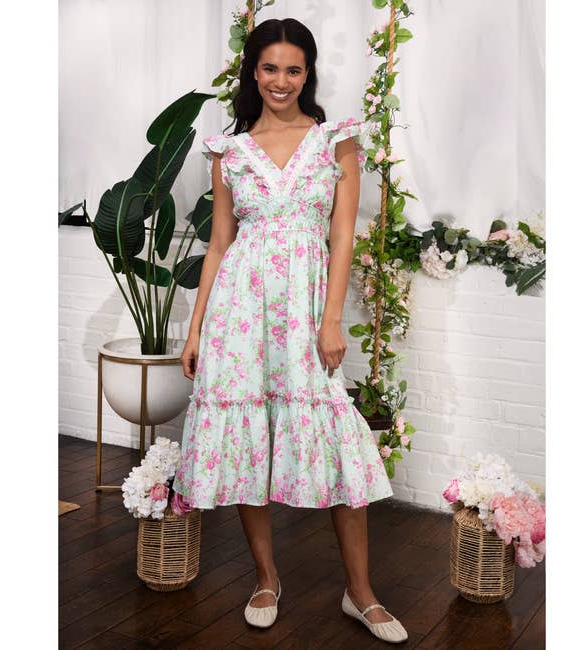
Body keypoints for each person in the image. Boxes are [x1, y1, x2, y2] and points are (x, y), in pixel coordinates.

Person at [174, 17, 408, 644]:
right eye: (270, 68)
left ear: (308, 74)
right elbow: (219, 244)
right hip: (239, 313)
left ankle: (360, 593)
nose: (281, 81)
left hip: (306, 310)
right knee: (247, 442)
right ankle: (265, 577)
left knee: (335, 439)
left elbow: (342, 237)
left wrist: (330, 320)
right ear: (253, 71)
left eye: (294, 69)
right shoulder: (229, 151)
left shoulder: (335, 141)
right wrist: (195, 331)